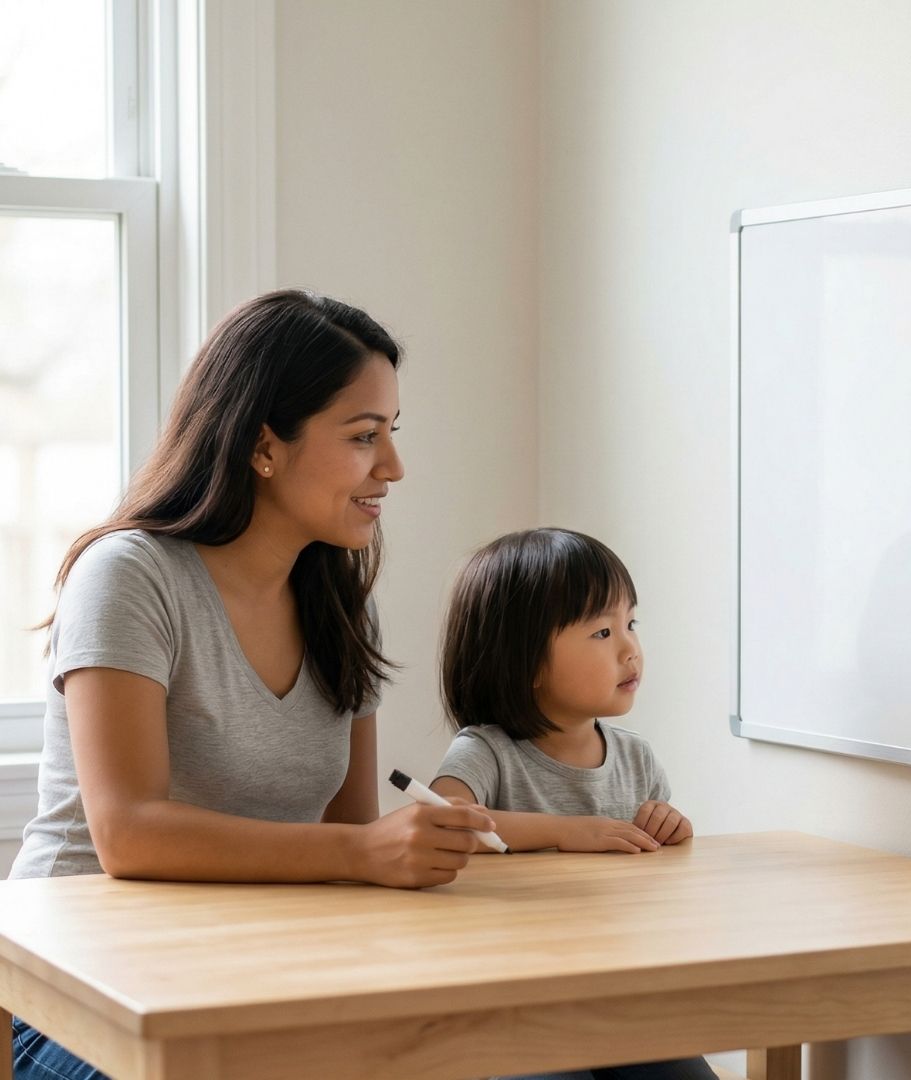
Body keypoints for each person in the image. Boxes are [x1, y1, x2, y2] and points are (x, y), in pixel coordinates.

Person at [9, 289, 495, 1079]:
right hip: (75, 995)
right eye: (365, 436)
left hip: (250, 977)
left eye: (392, 434)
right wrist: (362, 852)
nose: (394, 468)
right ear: (265, 446)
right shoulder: (128, 577)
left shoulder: (339, 609)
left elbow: (350, 842)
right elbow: (128, 833)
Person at [431, 527, 709, 1080]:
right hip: (514, 1009)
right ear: (528, 662)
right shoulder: (487, 751)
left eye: (631, 623)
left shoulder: (636, 759)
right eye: (603, 631)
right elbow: (442, 820)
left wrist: (670, 828)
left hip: (622, 997)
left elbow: (659, 880)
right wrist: (567, 831)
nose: (630, 648)